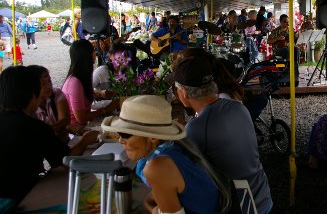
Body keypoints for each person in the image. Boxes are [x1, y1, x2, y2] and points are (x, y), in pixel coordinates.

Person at [173, 56, 273, 214]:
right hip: (262, 195)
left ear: (183, 93)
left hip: (242, 205)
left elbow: (183, 174)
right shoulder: (238, 107)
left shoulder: (197, 127)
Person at [101, 95, 231, 214]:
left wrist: (154, 210)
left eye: (125, 134)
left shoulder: (157, 166)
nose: (120, 140)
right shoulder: (174, 148)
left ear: (153, 138)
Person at [0, 66, 98, 203]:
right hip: (21, 199)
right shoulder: (34, 127)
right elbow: (66, 161)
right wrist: (86, 140)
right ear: (31, 95)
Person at [62, 40, 117, 133]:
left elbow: (82, 94)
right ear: (87, 55)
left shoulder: (82, 76)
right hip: (77, 132)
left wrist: (100, 93)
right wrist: (106, 109)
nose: (95, 53)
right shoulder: (74, 82)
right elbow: (81, 118)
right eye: (93, 51)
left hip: (86, 126)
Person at [28, 65, 70, 143]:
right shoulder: (29, 107)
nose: (48, 86)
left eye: (49, 81)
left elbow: (65, 120)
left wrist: (45, 131)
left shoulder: (56, 94)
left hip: (64, 143)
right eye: (43, 84)